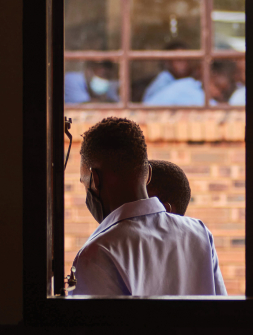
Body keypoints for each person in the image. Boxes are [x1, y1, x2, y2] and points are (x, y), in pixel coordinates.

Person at [71, 117, 226, 296]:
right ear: (148, 174)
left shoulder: (97, 253)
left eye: (85, 182)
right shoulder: (199, 233)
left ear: (95, 180)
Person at [144, 62, 231, 106]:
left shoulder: (189, 85)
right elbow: (217, 110)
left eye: (222, 92)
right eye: (217, 86)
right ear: (209, 78)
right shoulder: (189, 89)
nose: (217, 93)